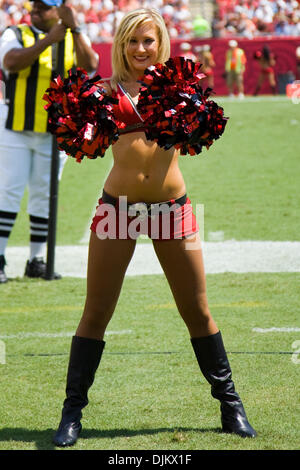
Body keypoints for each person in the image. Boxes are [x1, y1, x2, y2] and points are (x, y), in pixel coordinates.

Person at [52, 8, 257, 447]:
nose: (141, 49)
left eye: (149, 40)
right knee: (96, 313)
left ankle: (231, 406)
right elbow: (74, 135)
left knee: (197, 311)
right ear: (121, 45)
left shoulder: (179, 88)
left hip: (171, 208)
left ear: (160, 42)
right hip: (118, 209)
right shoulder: (104, 93)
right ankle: (71, 414)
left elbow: (203, 135)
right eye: (132, 41)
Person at [0, 0, 99, 283]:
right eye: (36, 5)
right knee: (9, 190)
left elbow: (90, 66)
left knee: (45, 194)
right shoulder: (15, 33)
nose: (36, 10)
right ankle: (0, 256)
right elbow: (10, 62)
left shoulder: (74, 36)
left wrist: (75, 28)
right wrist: (47, 41)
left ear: (59, 11)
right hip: (15, 126)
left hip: (55, 130)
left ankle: (36, 258)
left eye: (44, 7)